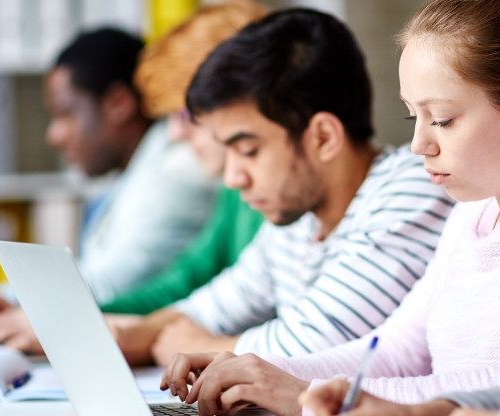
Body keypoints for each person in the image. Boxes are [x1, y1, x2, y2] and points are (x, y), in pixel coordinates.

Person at [158, 1, 500, 415]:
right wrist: (261, 370)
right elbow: (394, 349)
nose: (418, 145)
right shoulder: (470, 215)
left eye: (443, 119)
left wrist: (310, 392)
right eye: (414, 116)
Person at [106, 8, 455, 367]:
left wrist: (194, 345)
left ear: (322, 137)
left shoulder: (412, 189)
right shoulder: (299, 218)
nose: (232, 178)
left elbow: (311, 346)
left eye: (248, 151)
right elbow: (212, 306)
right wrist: (127, 336)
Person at [0, 28, 217, 350]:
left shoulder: (178, 170)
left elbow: (112, 283)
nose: (53, 135)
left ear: (119, 103)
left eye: (66, 113)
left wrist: (10, 303)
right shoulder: (137, 172)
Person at [100, 0, 267, 315]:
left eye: (186, 114)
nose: (175, 134)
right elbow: (184, 281)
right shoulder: (232, 192)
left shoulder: (275, 195)